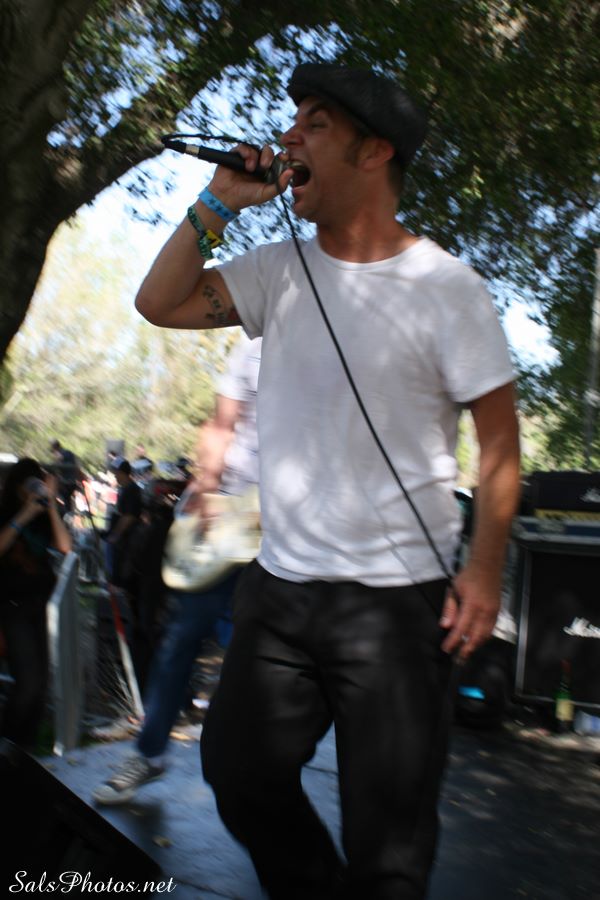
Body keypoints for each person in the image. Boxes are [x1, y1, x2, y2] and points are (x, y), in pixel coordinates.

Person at [134, 63, 520, 900]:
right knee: (238, 772)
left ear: (374, 152)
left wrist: (485, 567)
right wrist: (217, 204)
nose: (289, 136)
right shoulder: (276, 270)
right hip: (281, 592)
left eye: (315, 123)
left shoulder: (450, 289)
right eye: (294, 120)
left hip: (398, 606)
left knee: (390, 848)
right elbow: (158, 303)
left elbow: (499, 441)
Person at [93, 335, 261, 805]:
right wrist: (206, 484)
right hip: (229, 520)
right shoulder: (253, 348)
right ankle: (149, 753)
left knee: (261, 653)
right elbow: (220, 423)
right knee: (180, 639)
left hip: (290, 529)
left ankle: (255, 764)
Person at [0, 458, 72, 751]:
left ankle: (24, 751)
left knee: (40, 687)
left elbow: (65, 547)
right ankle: (7, 743)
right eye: (29, 485)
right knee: (27, 683)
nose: (33, 490)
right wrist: (25, 514)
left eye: (38, 484)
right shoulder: (5, 512)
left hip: (42, 605)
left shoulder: (44, 516)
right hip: (12, 606)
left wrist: (51, 506)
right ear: (17, 487)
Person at [103, 456, 142, 589]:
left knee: (120, 570)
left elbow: (129, 516)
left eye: (116, 473)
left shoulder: (132, 489)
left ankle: (118, 591)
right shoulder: (125, 489)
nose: (115, 476)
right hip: (121, 539)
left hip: (126, 540)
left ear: (122, 472)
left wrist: (116, 535)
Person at [49, 439, 80, 513]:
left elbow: (57, 465)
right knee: (68, 500)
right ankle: (70, 513)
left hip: (65, 483)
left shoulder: (60, 454)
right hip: (72, 482)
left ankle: (64, 513)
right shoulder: (69, 453)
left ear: (55, 447)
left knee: (59, 497)